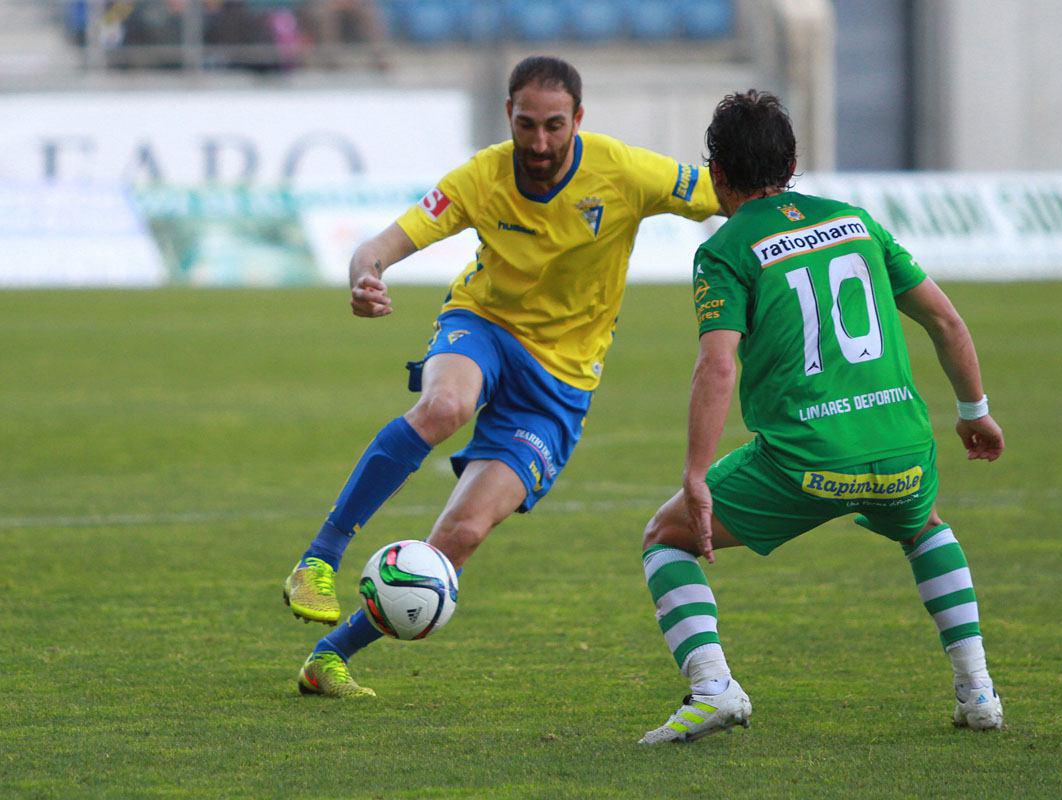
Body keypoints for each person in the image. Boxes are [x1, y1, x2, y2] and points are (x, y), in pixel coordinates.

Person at [284, 55, 720, 697]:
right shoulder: (482, 177)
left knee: (458, 537)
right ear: (507, 117)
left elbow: (726, 192)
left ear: (578, 119)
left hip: (559, 386)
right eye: (525, 125)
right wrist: (364, 277)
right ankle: (317, 560)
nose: (538, 143)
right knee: (446, 406)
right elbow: (379, 244)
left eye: (553, 126)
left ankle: (329, 657)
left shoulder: (624, 171)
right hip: (483, 326)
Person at [637, 90, 1006, 744]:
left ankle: (712, 687)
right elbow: (945, 319)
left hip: (803, 464)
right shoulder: (856, 222)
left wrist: (697, 472)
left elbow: (718, 366)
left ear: (717, 174)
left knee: (666, 537)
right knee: (923, 526)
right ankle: (978, 689)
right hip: (903, 452)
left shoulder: (725, 250)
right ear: (793, 163)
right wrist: (974, 412)